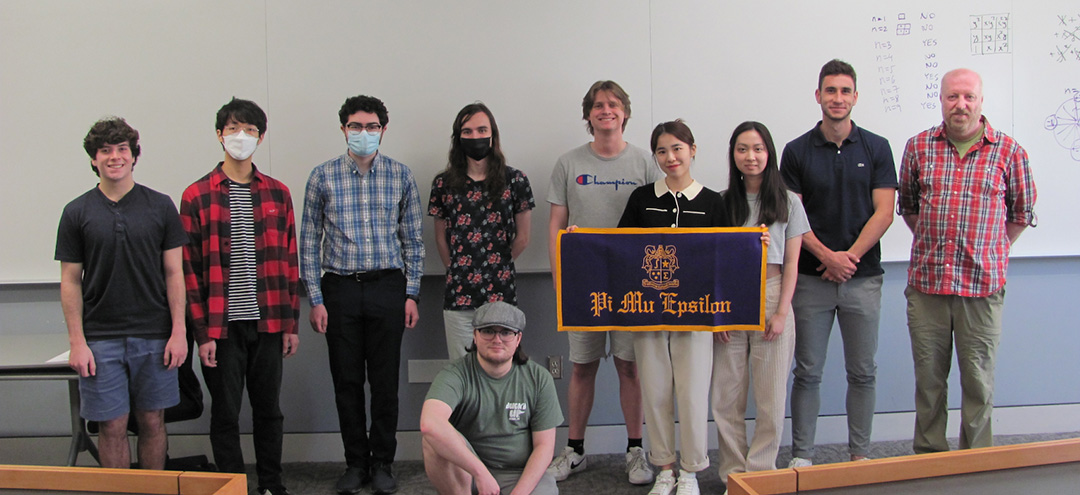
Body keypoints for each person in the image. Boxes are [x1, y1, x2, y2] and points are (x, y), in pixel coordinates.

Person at [898, 68, 1037, 454]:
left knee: (978, 382)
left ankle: (977, 463)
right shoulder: (918, 147)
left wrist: (989, 247)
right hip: (927, 287)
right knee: (929, 382)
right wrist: (939, 243)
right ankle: (929, 459)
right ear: (941, 100)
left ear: (980, 101)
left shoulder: (1009, 151)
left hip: (981, 288)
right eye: (952, 97)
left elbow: (1022, 212)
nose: (960, 105)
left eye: (968, 97)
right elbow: (908, 206)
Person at [300, 95, 425, 494]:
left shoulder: (400, 176)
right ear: (343, 130)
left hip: (388, 287)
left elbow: (414, 240)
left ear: (383, 130)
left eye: (372, 127)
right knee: (347, 382)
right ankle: (355, 463)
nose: (364, 133)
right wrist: (315, 299)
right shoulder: (322, 176)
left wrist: (412, 293)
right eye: (356, 126)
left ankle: (383, 462)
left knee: (385, 382)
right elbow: (308, 243)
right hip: (339, 289)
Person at [780, 59, 897, 467]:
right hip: (811, 279)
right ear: (818, 96)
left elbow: (884, 212)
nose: (837, 98)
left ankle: (859, 455)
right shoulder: (795, 151)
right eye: (830, 90)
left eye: (845, 91)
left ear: (855, 97)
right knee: (808, 372)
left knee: (863, 372)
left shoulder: (877, 147)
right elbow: (791, 217)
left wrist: (849, 259)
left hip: (862, 279)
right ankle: (802, 457)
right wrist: (828, 257)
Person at [546, 80, 663, 485]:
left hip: (633, 287)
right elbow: (556, 227)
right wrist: (562, 282)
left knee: (631, 369)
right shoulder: (569, 164)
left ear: (625, 112)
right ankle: (574, 450)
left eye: (613, 104)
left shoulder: (646, 163)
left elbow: (658, 225)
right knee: (582, 368)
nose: (606, 110)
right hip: (584, 285)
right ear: (588, 115)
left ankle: (635, 450)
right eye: (598, 105)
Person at [180, 98, 299, 495]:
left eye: (249, 130)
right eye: (232, 129)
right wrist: (202, 334)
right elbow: (190, 272)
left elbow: (289, 263)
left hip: (268, 323)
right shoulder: (196, 196)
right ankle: (232, 486)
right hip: (221, 327)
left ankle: (272, 484)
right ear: (219, 135)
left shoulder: (278, 194)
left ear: (260, 137)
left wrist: (290, 325)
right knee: (226, 414)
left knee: (269, 412)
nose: (241, 137)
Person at [55, 117, 189, 470]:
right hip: (100, 340)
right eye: (105, 151)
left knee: (152, 421)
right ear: (94, 159)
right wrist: (77, 341)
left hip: (155, 335)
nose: (114, 157)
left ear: (134, 156)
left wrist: (179, 332)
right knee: (111, 426)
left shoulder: (161, 206)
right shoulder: (76, 212)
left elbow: (175, 273)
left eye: (122, 150)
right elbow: (70, 280)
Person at [616, 120, 726, 495]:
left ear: (692, 150)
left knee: (693, 393)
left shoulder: (714, 201)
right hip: (648, 313)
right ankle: (664, 467)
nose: (670, 157)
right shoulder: (641, 199)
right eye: (662, 150)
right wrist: (582, 242)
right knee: (656, 389)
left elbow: (726, 258)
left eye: (678, 148)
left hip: (696, 314)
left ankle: (691, 470)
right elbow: (620, 250)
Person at [712, 122, 808, 487]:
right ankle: (733, 475)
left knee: (770, 396)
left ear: (769, 153)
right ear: (733, 155)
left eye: (757, 149)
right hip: (730, 300)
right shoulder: (722, 203)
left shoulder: (788, 202)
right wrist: (718, 315)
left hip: (771, 294)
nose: (750, 157)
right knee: (726, 395)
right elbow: (714, 262)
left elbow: (793, 263)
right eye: (742, 149)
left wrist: (782, 312)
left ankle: (761, 474)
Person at [428, 103, 535, 360]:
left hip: (501, 293)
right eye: (467, 131)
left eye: (481, 130)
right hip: (458, 296)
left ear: (493, 134)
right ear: (458, 137)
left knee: (501, 368)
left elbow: (523, 237)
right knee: (462, 373)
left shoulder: (515, 180)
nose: (475, 137)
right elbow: (440, 238)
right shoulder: (443, 183)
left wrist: (496, 265)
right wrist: (457, 268)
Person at [420, 302, 562, 495]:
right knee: (432, 438)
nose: (497, 339)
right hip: (466, 474)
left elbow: (544, 447)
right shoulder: (455, 374)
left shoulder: (539, 378)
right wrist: (480, 472)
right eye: (488, 331)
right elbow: (430, 423)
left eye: (506, 332)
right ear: (475, 335)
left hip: (519, 474)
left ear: (518, 337)